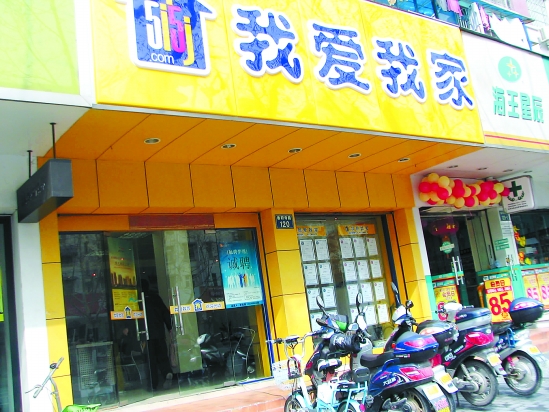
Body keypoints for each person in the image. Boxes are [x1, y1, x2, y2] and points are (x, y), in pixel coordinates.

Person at [141, 279, 173, 390]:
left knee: (151, 360)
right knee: (162, 356)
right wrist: (170, 327)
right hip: (159, 333)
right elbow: (165, 313)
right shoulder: (155, 298)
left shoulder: (138, 299)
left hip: (146, 334)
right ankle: (167, 372)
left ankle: (153, 384)